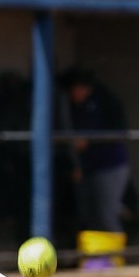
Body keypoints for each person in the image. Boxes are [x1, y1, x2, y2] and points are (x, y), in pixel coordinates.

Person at [57, 67, 131, 234]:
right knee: (90, 218)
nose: (73, 94)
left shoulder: (105, 100)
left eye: (76, 89)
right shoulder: (71, 106)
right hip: (86, 168)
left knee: (106, 215)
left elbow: (118, 132)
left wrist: (90, 141)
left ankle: (114, 258)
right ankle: (95, 259)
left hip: (111, 166)